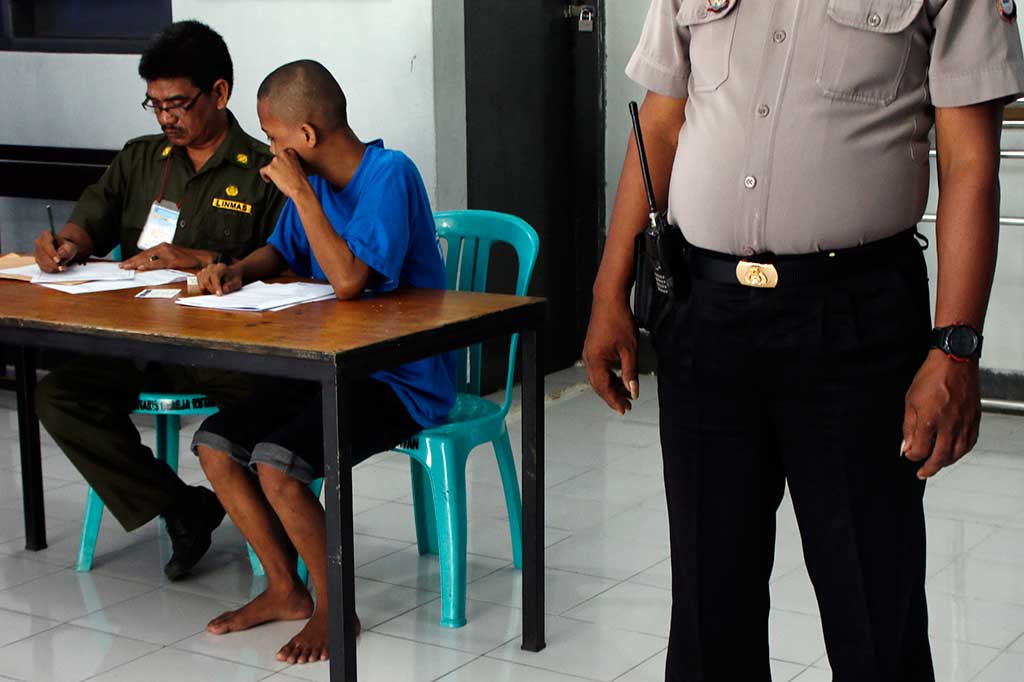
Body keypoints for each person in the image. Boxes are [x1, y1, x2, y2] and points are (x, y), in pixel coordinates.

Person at [583, 2, 1024, 681]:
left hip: (856, 324)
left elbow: (969, 164)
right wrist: (609, 292)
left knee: (873, 614)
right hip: (708, 316)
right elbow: (661, 125)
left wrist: (956, 347)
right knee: (708, 615)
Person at [191, 59, 457, 664]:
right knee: (216, 445)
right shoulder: (312, 192)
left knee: (279, 466)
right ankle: (285, 589)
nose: (270, 151)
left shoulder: (389, 174)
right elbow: (281, 249)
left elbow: (347, 279)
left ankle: (336, 608)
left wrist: (302, 193)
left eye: (274, 137)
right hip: (331, 368)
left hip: (401, 378)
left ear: (306, 137)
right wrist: (237, 270)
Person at [34, 20, 288, 581]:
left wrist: (197, 259)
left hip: (228, 357)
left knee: (276, 400)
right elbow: (89, 223)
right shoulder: (140, 159)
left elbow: (288, 265)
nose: (166, 117)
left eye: (178, 103)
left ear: (219, 93)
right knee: (59, 398)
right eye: (154, 105)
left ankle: (276, 530)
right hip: (141, 344)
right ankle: (181, 506)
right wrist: (65, 245)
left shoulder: (264, 171)